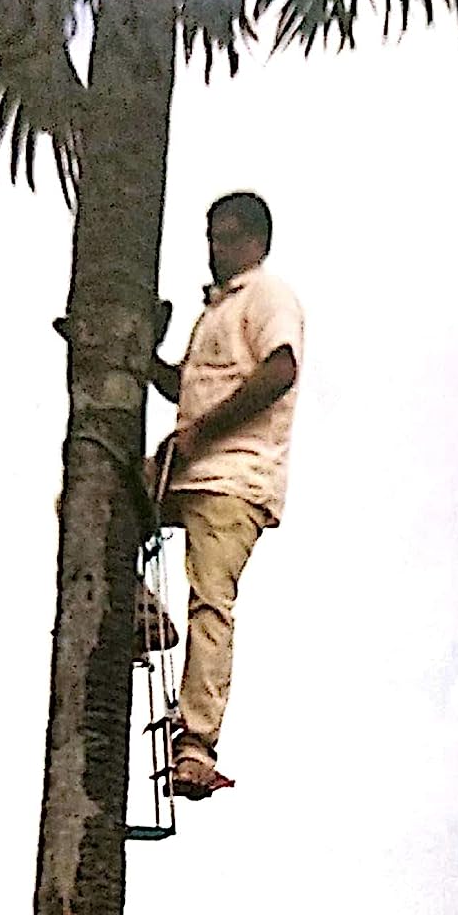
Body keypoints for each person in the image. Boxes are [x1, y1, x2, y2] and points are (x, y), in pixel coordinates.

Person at [148, 191, 304, 801]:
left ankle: (197, 743)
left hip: (234, 478)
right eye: (211, 236)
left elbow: (280, 369)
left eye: (225, 237)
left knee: (210, 601)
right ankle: (141, 614)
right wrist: (141, 362)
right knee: (92, 497)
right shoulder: (213, 313)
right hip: (190, 470)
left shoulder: (268, 295)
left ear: (254, 241)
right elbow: (188, 393)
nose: (213, 250)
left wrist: (198, 437)